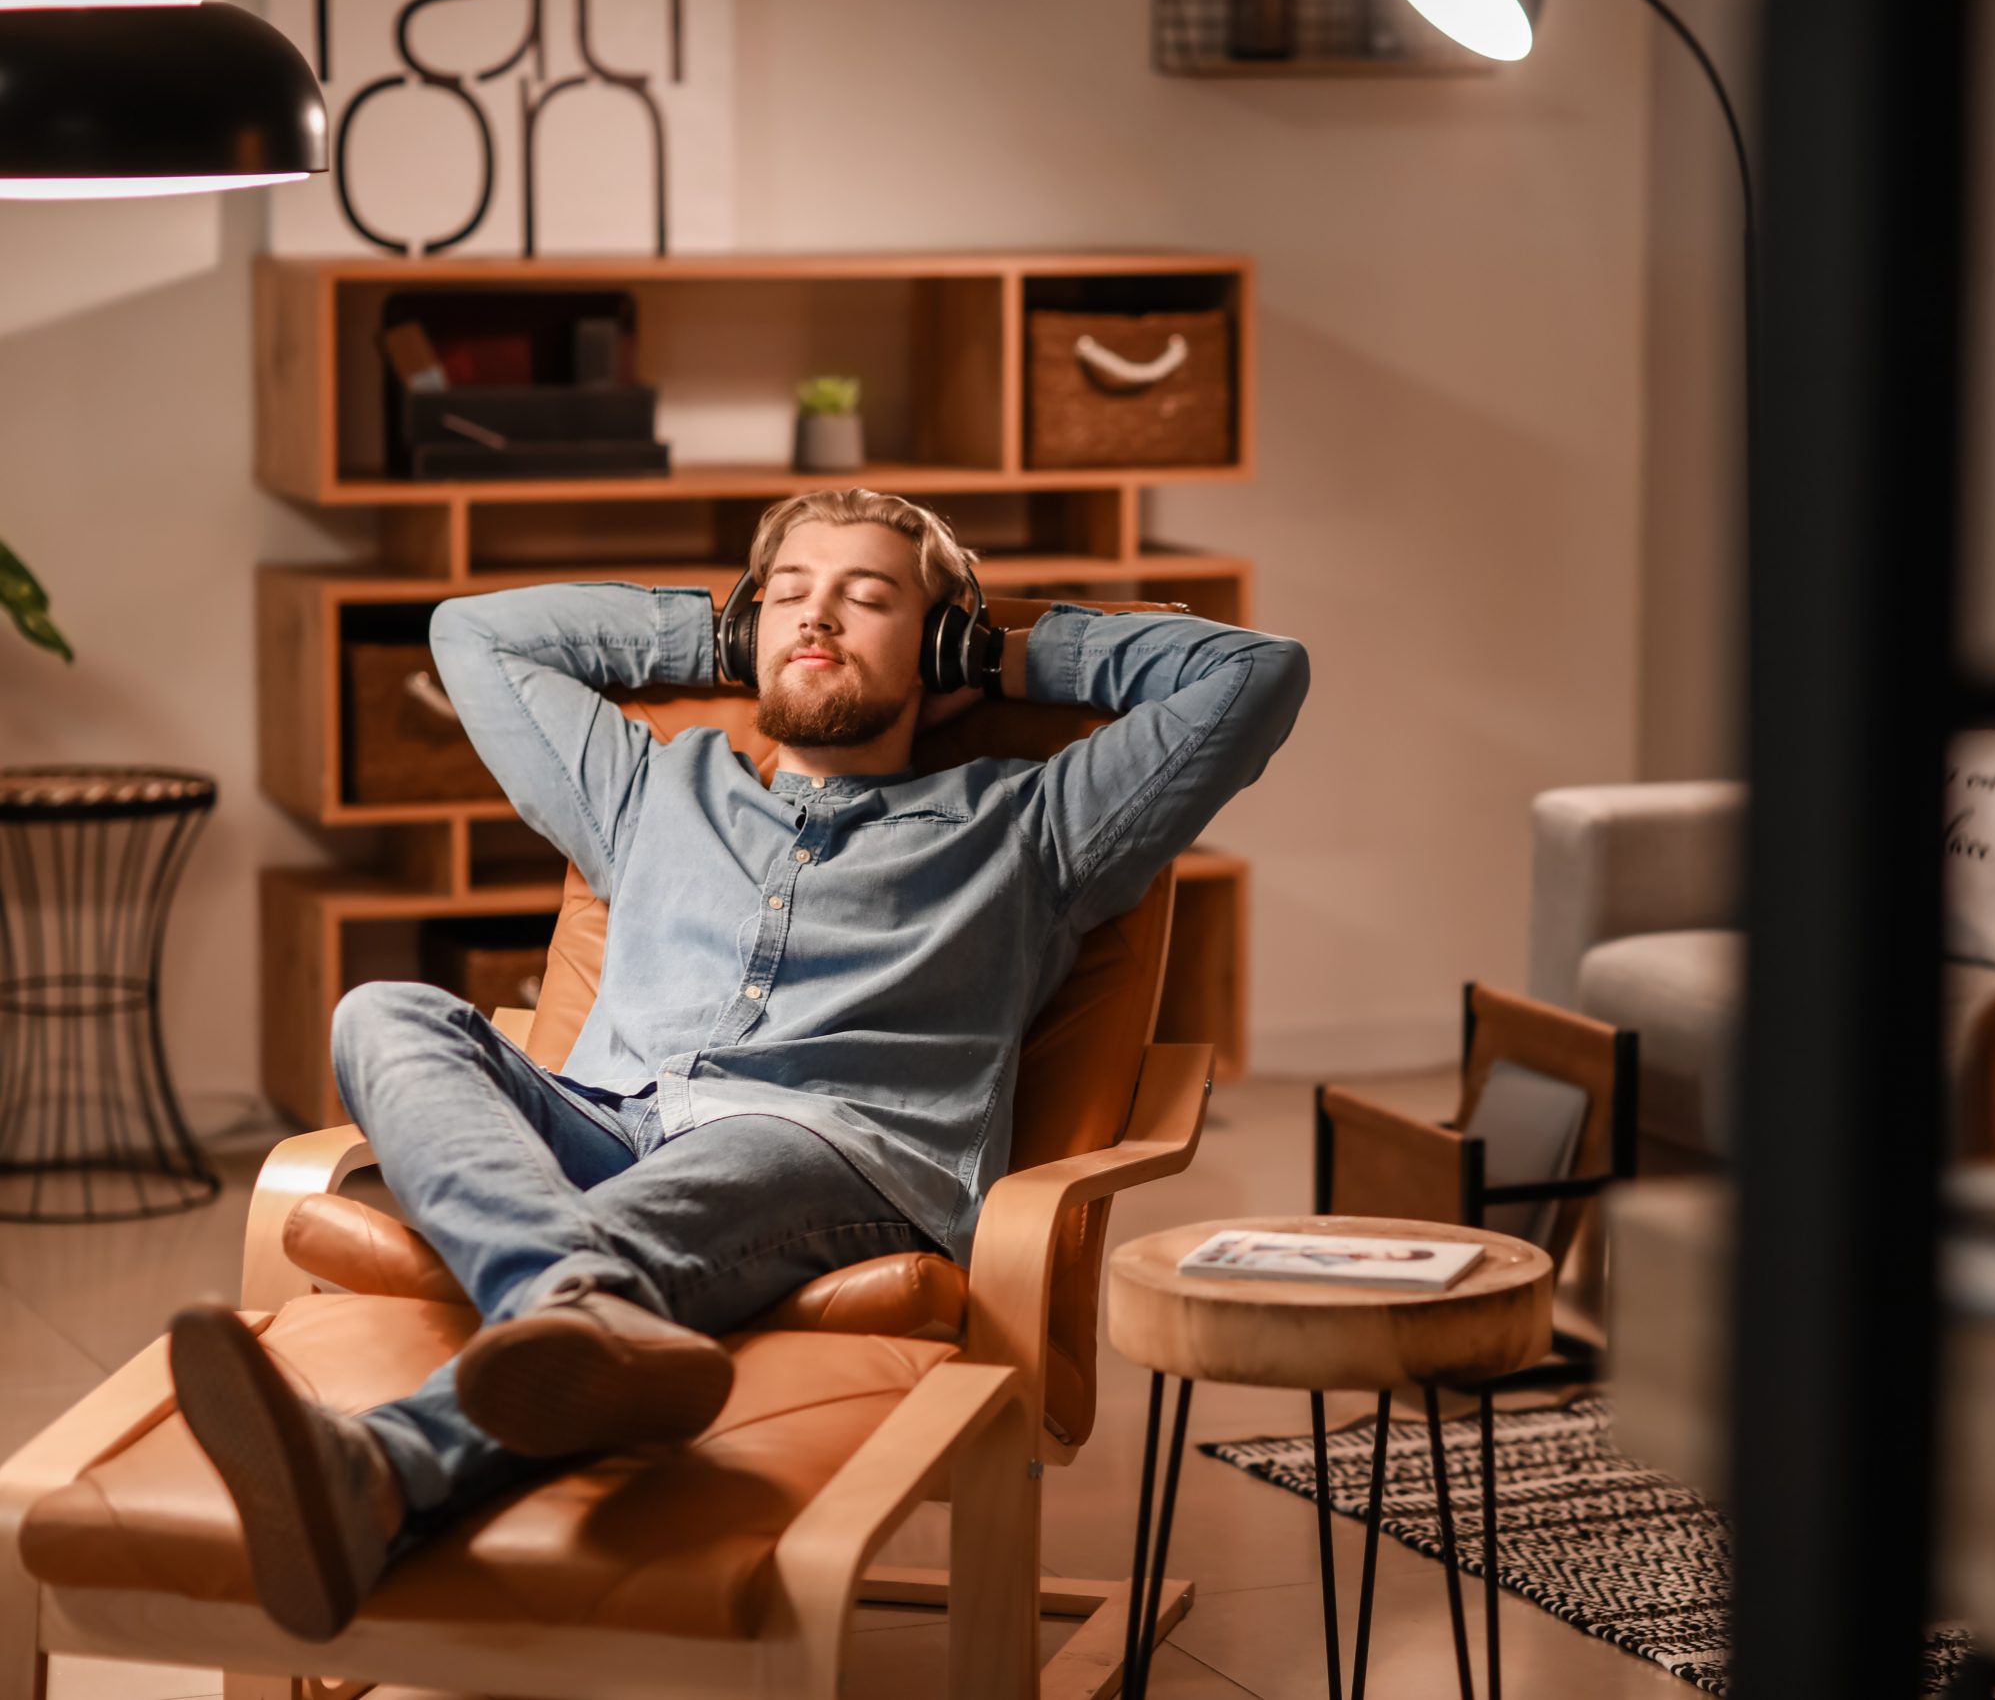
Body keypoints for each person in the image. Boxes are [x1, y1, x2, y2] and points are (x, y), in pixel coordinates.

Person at [166, 488, 1310, 1641]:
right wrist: (711, 634)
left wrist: (1010, 647)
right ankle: (575, 1308)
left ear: (940, 647)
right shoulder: (650, 784)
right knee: (384, 1012)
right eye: (790, 597)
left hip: (834, 1150)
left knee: (757, 1139)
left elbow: (1257, 675)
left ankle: (387, 1461)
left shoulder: (1036, 824)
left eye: (869, 600)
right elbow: (474, 631)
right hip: (606, 1125)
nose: (817, 621)